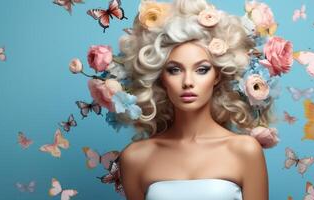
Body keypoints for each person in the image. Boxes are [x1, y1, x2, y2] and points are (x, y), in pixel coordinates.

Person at [112, 0, 278, 199]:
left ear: (216, 75)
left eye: (202, 70)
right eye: (174, 70)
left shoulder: (244, 150)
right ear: (161, 78)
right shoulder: (135, 157)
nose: (188, 82)